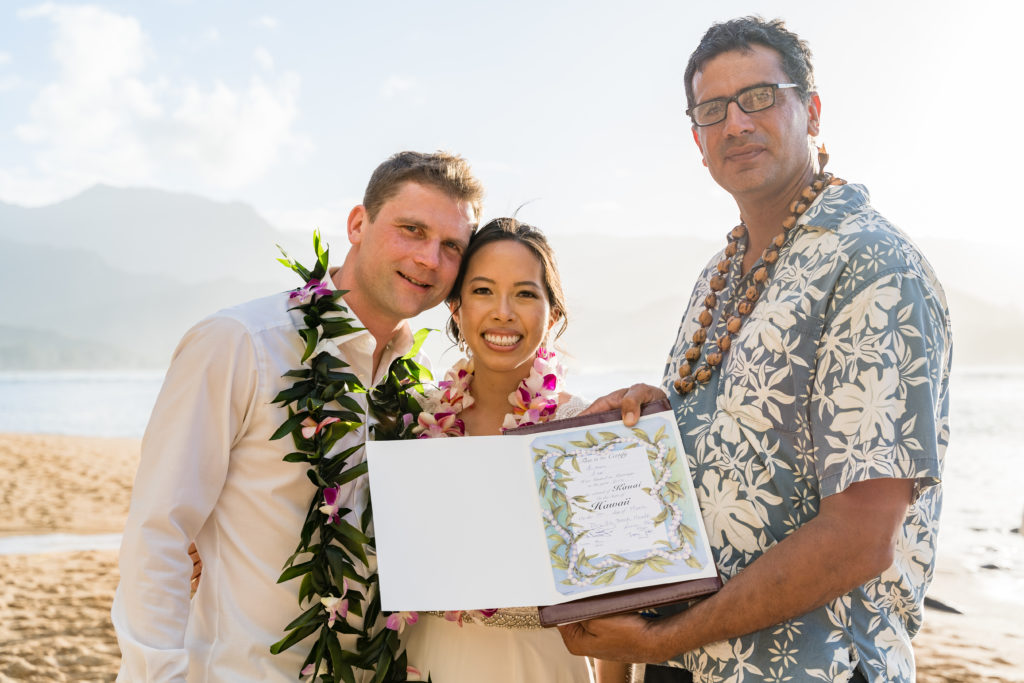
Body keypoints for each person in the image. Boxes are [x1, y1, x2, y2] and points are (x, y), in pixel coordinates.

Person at [559, 16, 951, 683]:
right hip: (683, 660)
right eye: (713, 110)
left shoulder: (871, 265)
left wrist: (663, 640)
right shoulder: (719, 275)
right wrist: (662, 417)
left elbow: (860, 538)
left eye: (760, 97)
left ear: (813, 111)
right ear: (697, 140)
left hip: (813, 667)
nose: (736, 123)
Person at [111, 150, 484, 682]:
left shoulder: (417, 388)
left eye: (452, 246)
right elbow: (158, 532)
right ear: (358, 224)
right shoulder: (241, 343)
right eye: (411, 230)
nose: (429, 258)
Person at [400, 218, 638, 683]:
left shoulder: (584, 431)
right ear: (455, 307)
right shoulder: (414, 422)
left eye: (526, 294)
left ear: (552, 314)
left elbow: (618, 603)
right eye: (483, 291)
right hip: (425, 661)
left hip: (541, 667)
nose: (503, 312)